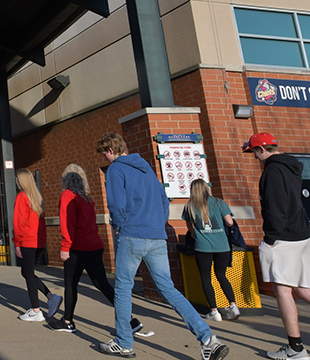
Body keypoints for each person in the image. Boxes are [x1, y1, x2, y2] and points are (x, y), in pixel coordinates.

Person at [97, 132, 228, 360]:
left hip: (131, 234)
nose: (106, 159)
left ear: (110, 150)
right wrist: (157, 224)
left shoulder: (117, 169)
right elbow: (163, 201)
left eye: (105, 155)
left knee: (123, 288)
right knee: (168, 289)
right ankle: (208, 339)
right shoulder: (148, 170)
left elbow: (116, 204)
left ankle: (124, 342)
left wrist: (119, 225)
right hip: (156, 236)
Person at [49, 164, 143, 335]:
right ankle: (129, 319)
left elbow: (67, 224)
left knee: (70, 284)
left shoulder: (67, 196)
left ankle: (68, 321)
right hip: (94, 245)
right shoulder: (87, 198)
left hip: (77, 248)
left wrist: (65, 246)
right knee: (102, 284)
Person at [244, 132, 310, 360]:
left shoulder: (272, 171)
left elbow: (275, 207)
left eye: (254, 152)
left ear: (261, 149)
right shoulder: (292, 166)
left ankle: (296, 348)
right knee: (303, 287)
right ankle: (295, 348)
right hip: (302, 233)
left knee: (282, 289)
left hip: (283, 238)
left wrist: (270, 239)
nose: (254, 157)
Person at [182, 178, 240, 322]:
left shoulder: (189, 206)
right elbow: (230, 222)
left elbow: (190, 228)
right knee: (221, 275)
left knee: (206, 277)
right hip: (222, 246)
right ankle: (233, 306)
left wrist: (196, 235)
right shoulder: (219, 202)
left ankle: (214, 311)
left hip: (203, 247)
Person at [13, 168, 62, 322]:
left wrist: (17, 242)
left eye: (17, 178)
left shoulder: (22, 197)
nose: (16, 181)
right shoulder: (37, 198)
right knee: (27, 272)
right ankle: (50, 297)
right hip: (37, 241)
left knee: (27, 274)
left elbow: (19, 223)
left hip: (27, 240)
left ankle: (36, 310)